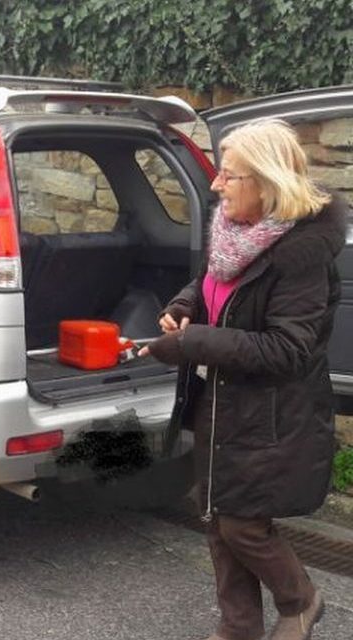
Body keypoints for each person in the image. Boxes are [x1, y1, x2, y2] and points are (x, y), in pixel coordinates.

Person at [140, 119, 349, 640]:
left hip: (272, 415)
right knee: (217, 516)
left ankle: (301, 600)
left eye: (229, 175)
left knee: (243, 525)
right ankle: (238, 628)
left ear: (266, 181)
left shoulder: (300, 257)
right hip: (225, 402)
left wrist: (190, 343)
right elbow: (211, 282)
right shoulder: (236, 232)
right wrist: (185, 306)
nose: (216, 185)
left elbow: (287, 348)